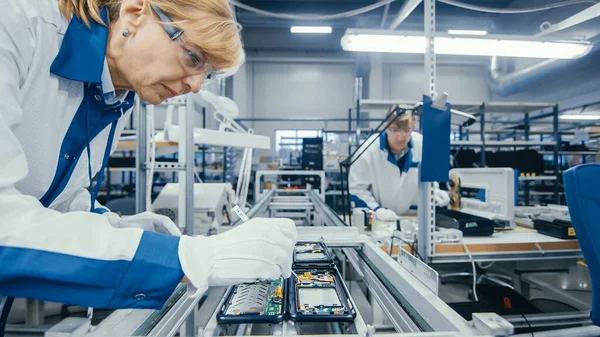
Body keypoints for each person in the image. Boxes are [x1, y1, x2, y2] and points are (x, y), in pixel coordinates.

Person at [0, 0, 297, 310]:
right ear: (134, 12)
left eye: (206, 75)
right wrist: (185, 258)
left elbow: (54, 202)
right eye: (193, 57)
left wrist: (119, 229)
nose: (195, 86)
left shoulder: (118, 96)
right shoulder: (16, 24)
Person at [349, 106, 449, 221]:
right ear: (385, 127)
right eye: (395, 130)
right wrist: (377, 210)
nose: (401, 137)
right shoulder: (368, 149)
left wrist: (434, 194)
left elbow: (430, 183)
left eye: (406, 130)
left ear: (413, 127)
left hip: (414, 219)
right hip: (379, 220)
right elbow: (356, 190)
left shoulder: (423, 146)